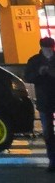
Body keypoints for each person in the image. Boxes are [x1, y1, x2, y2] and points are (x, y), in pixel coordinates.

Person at [24, 35, 55, 172]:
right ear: (41, 48)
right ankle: (52, 160)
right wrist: (39, 73)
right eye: (46, 48)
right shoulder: (35, 60)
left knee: (48, 131)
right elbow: (28, 77)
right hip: (44, 100)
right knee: (48, 132)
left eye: (50, 48)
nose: (48, 50)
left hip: (47, 98)